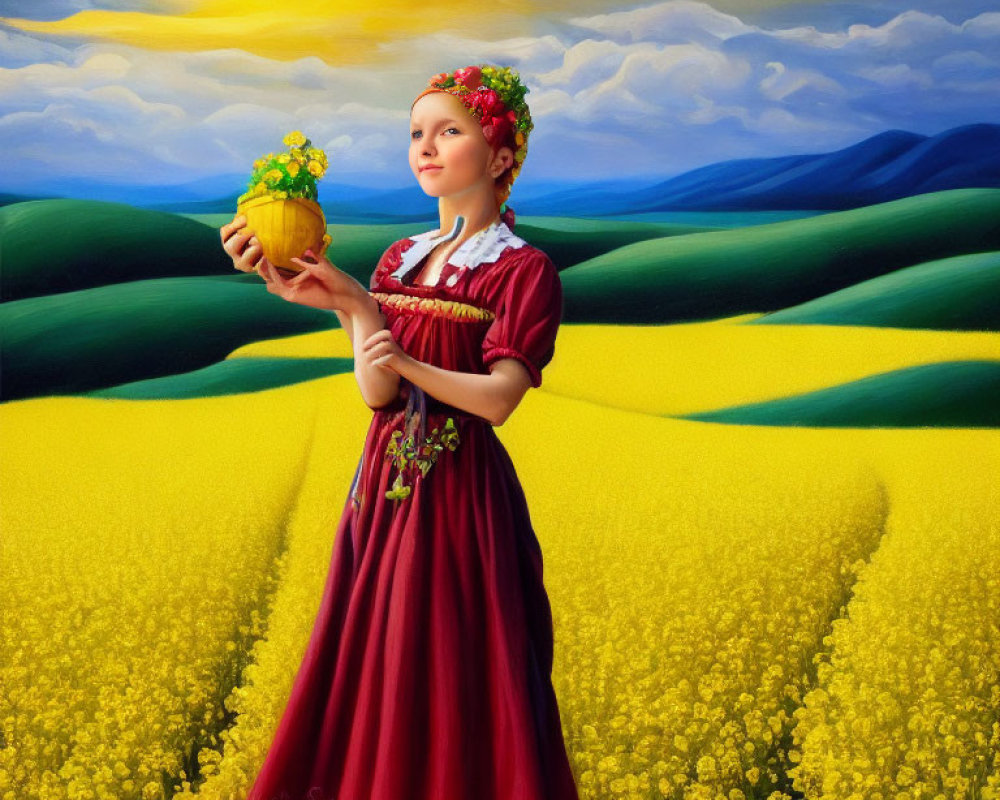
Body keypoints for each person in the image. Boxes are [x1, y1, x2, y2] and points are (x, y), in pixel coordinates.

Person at [220, 63, 579, 800]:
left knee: (451, 666)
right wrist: (353, 308)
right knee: (376, 660)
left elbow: (500, 399)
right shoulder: (399, 259)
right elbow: (377, 393)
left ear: (502, 155)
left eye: (450, 131)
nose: (426, 147)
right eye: (417, 133)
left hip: (462, 501)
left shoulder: (523, 271)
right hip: (384, 492)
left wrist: (403, 353)